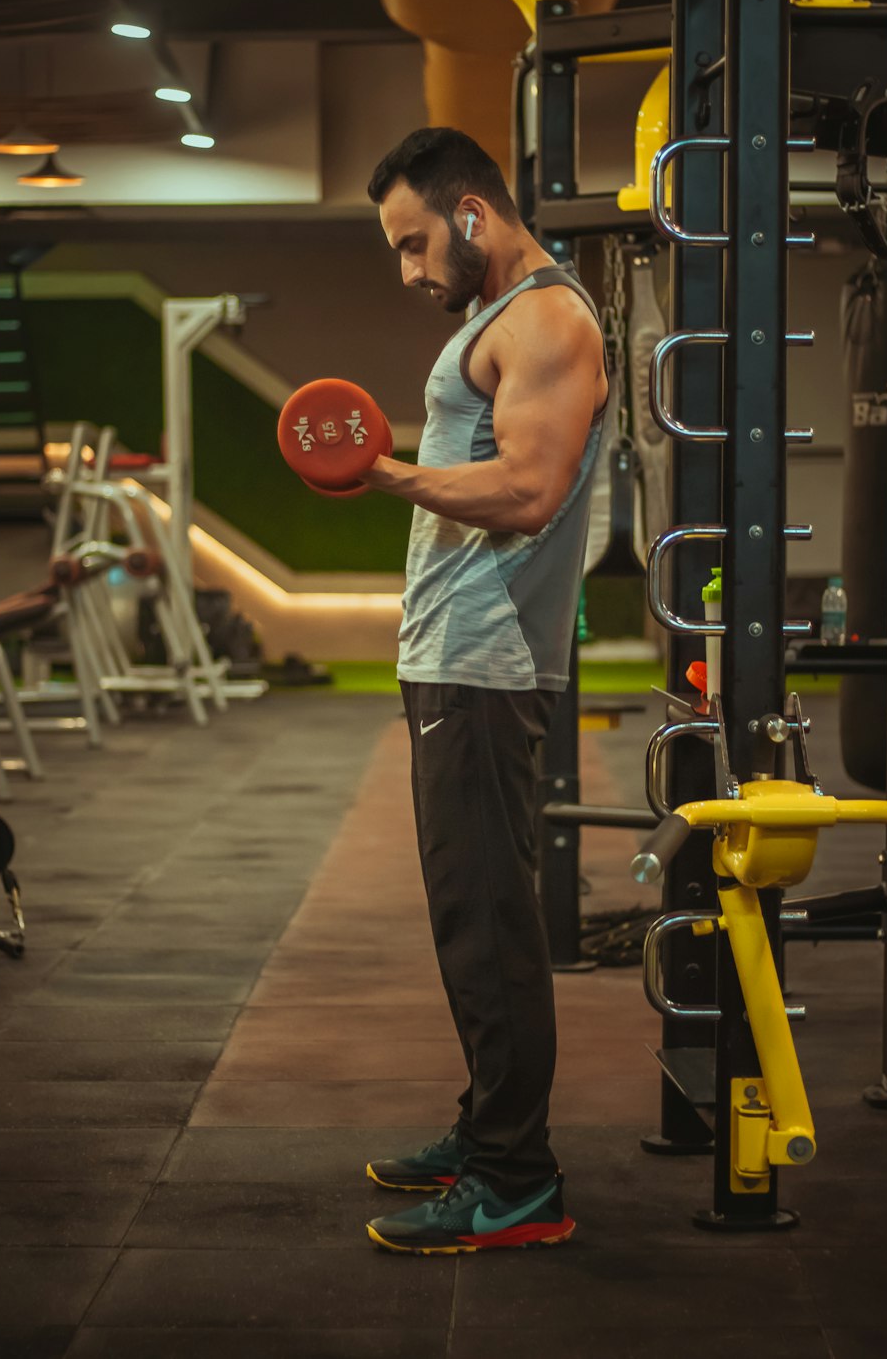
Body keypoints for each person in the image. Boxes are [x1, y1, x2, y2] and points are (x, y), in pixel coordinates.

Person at [359, 127, 608, 1255]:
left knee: (492, 925)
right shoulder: (489, 321)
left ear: (469, 212)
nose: (410, 270)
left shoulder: (548, 319)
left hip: (488, 660)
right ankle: (486, 1131)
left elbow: (527, 491)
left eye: (415, 243)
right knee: (467, 917)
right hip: (452, 655)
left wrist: (380, 472)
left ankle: (516, 1183)